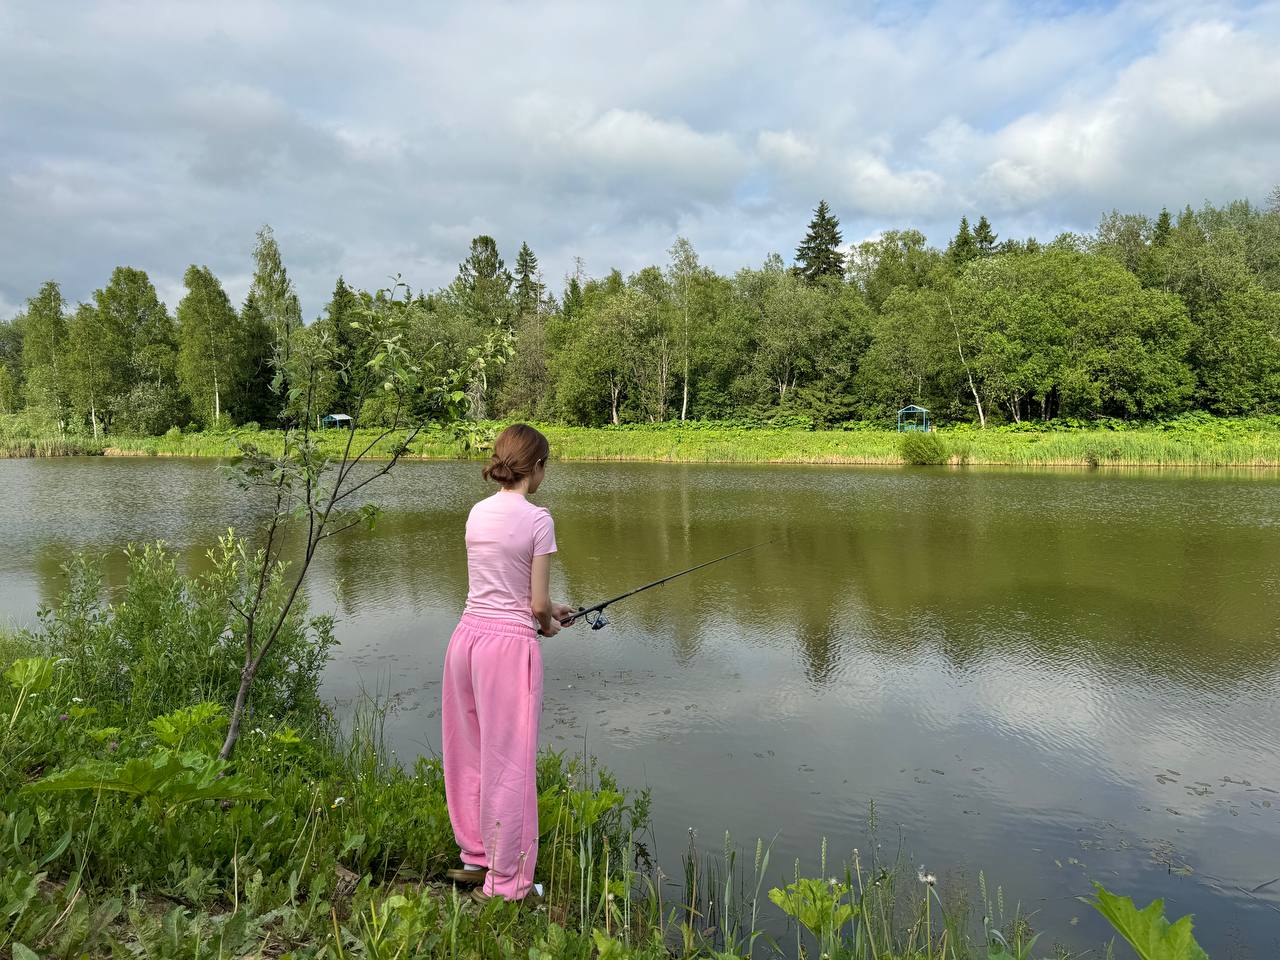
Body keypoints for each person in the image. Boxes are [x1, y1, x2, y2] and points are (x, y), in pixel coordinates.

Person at [441, 423, 575, 903]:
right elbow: (535, 605)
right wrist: (547, 622)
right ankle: (507, 882)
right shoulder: (538, 520)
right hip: (507, 651)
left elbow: (503, 587)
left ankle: (475, 856)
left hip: (466, 640)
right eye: (546, 465)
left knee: (469, 754)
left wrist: (550, 608)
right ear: (536, 467)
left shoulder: (477, 512)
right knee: (510, 764)